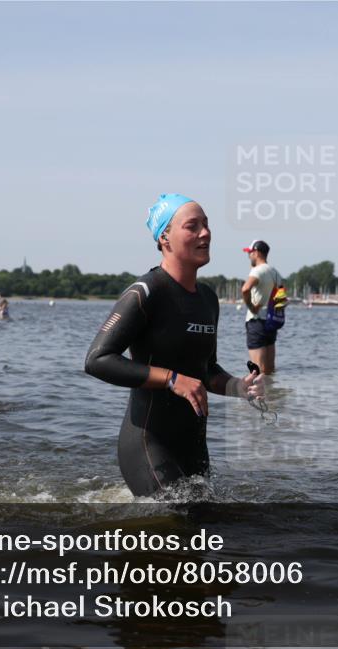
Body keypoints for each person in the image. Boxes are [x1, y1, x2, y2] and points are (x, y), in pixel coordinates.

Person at [84, 194, 264, 497]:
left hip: (193, 445)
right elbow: (97, 359)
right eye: (192, 226)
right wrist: (171, 379)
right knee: (175, 519)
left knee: (203, 527)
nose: (205, 233)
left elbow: (205, 369)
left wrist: (237, 387)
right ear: (164, 238)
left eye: (206, 225)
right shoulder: (146, 292)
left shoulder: (208, 299)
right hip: (147, 441)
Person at [240, 239, 284, 375]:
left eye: (250, 253)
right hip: (271, 322)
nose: (249, 256)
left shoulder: (257, 271)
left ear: (257, 252)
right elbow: (282, 299)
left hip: (256, 321)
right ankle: (270, 395)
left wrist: (252, 307)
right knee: (269, 370)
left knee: (257, 371)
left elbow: (245, 289)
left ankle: (259, 396)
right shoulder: (276, 273)